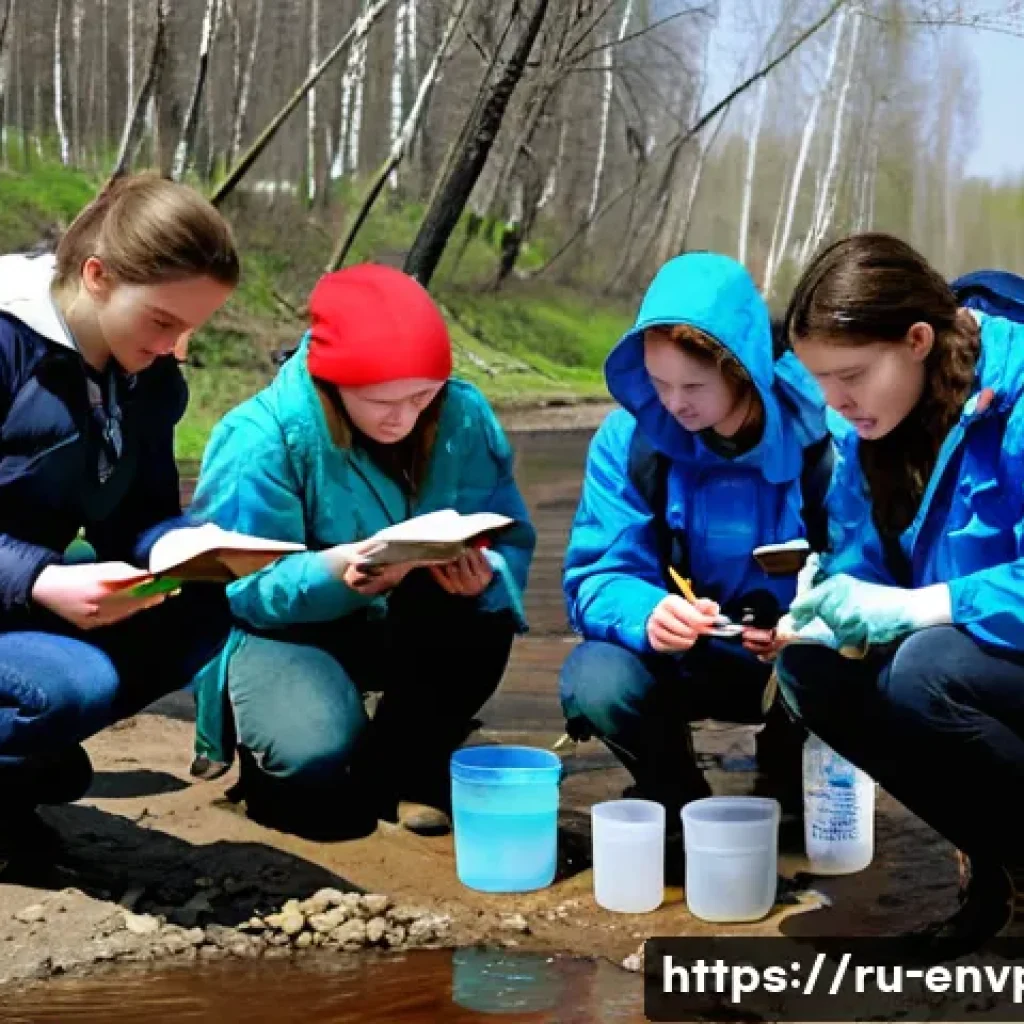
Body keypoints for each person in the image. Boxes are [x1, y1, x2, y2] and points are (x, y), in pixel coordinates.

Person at [188, 263, 536, 839]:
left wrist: (489, 573)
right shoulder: (258, 436)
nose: (404, 417)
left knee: (480, 619)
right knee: (314, 762)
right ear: (333, 381)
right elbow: (235, 585)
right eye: (381, 401)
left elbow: (507, 530)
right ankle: (269, 762)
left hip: (402, 620)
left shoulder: (462, 415)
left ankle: (408, 768)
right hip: (284, 632)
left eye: (422, 396)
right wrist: (333, 573)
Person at [777, 232, 1024, 944]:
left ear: (918, 340)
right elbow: (864, 559)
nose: (836, 402)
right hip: (975, 657)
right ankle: (1000, 868)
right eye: (820, 381)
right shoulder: (870, 424)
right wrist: (832, 604)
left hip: (978, 657)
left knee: (925, 670)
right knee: (813, 671)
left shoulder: (1016, 396)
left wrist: (919, 606)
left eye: (850, 376)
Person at [0, 173, 240, 873]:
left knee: (201, 606)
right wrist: (43, 581)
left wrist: (184, 543)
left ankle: (16, 773)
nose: (177, 345)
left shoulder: (149, 376)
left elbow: (138, 514)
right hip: (26, 584)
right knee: (67, 692)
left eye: (192, 328)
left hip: (22, 591)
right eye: (164, 321)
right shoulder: (9, 344)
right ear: (98, 277)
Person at [559, 252, 831, 841]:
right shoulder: (629, 442)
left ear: (744, 370)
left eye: (693, 386)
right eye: (658, 384)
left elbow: (869, 567)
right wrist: (648, 613)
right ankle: (674, 790)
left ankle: (791, 771)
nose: (674, 404)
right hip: (684, 654)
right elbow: (598, 573)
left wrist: (806, 624)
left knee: (843, 667)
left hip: (794, 660)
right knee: (596, 676)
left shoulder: (826, 440)